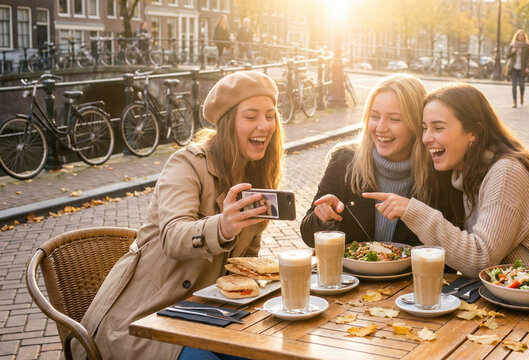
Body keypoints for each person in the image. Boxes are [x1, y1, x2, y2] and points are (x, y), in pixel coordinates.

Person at [73, 71, 284, 360]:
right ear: (227, 122)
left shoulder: (256, 175)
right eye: (251, 116)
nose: (264, 125)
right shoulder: (187, 164)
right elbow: (173, 236)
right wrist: (222, 226)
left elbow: (242, 263)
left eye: (270, 115)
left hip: (208, 312)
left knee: (269, 351)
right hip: (147, 316)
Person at [363, 83, 529, 292]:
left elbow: (479, 259)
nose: (426, 138)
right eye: (425, 128)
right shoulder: (466, 174)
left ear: (473, 132)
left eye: (438, 128)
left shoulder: (506, 172)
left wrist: (412, 210)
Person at [300, 73, 461, 248]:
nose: (380, 128)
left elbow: (452, 254)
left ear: (416, 123)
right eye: (375, 116)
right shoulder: (344, 161)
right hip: (350, 275)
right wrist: (322, 218)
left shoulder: (440, 171)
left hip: (414, 275)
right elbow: (308, 236)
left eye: (394, 119)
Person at [505, 29, 529, 108]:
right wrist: (513, 51)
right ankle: (514, 102)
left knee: (522, 85)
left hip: (522, 68)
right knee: (514, 85)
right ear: (517, 36)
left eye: (522, 35)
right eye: (519, 35)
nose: (521, 37)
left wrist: (527, 67)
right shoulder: (512, 45)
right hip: (513, 68)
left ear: (524, 37)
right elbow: (507, 56)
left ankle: (521, 96)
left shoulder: (527, 46)